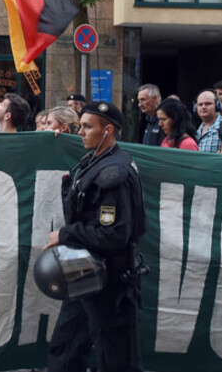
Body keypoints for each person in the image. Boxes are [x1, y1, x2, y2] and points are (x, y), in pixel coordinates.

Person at [44, 101, 146, 372]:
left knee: (114, 358)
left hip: (108, 280)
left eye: (88, 127)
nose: (81, 133)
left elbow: (114, 234)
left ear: (108, 130)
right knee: (65, 347)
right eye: (79, 126)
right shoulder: (95, 161)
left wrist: (65, 234)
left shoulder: (114, 172)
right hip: (83, 274)